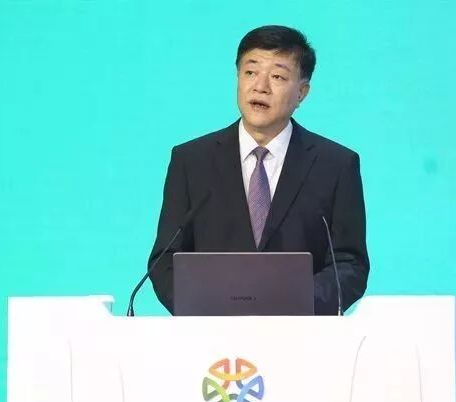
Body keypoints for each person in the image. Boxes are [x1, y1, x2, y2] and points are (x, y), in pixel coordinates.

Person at [148, 25, 369, 315]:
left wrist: (294, 304)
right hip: (211, 334)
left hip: (301, 333)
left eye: (278, 76)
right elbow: (164, 261)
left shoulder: (336, 165)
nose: (260, 86)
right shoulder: (191, 161)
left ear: (302, 93)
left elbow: (349, 265)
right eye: (250, 72)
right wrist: (206, 308)